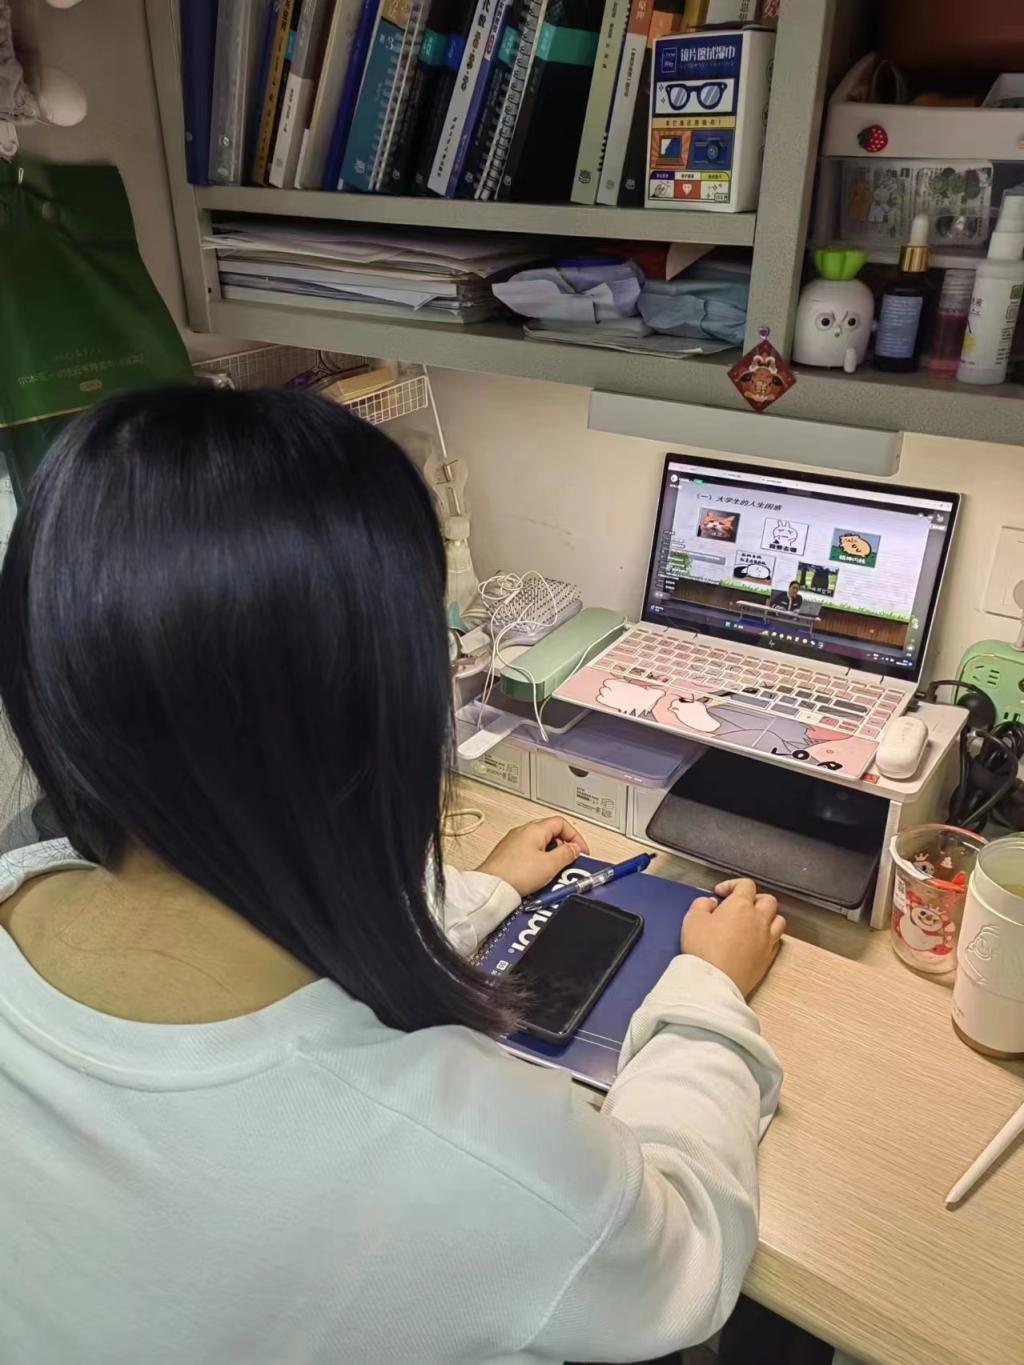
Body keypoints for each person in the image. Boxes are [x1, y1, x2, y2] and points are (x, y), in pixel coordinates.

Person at [0, 386, 784, 1365]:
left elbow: (253, 964)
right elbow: (684, 1249)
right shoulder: (475, 1155)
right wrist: (707, 993)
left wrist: (482, 893)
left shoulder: (26, 881)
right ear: (379, 707)